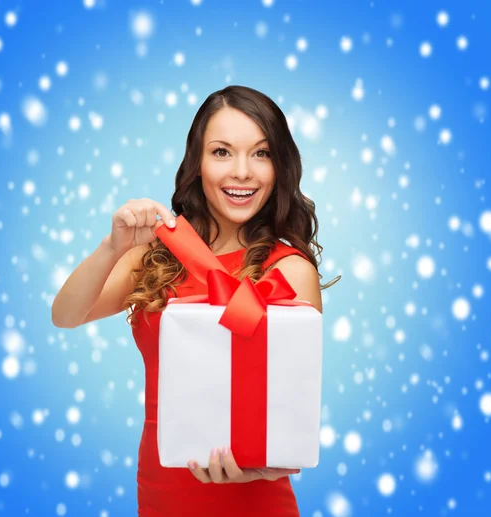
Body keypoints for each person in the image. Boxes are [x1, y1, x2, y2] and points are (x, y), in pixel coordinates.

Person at [52, 85, 339, 516]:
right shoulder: (156, 254)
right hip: (161, 492)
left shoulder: (290, 270)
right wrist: (112, 247)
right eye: (222, 152)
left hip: (255, 502)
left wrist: (259, 470)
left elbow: (291, 411)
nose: (242, 172)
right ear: (197, 164)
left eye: (260, 153)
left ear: (280, 167)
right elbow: (65, 315)